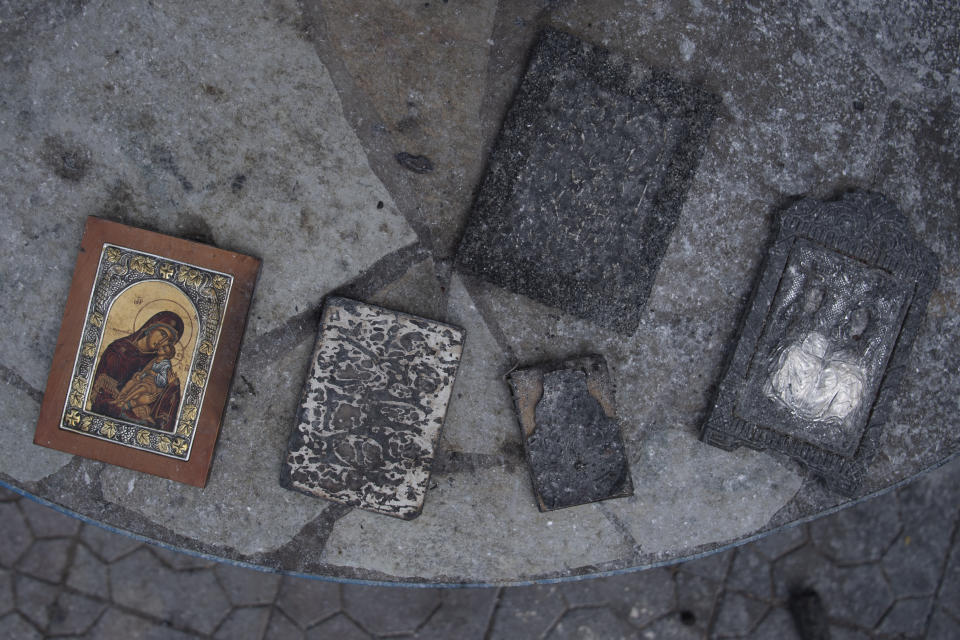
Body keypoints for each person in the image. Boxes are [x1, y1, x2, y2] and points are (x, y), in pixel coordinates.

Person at [90, 311, 183, 432]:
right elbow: (100, 399)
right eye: (162, 333)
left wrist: (172, 387)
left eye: (169, 341)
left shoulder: (156, 363)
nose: (162, 341)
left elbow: (161, 410)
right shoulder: (118, 351)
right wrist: (134, 404)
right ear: (150, 327)